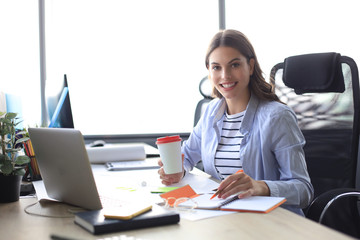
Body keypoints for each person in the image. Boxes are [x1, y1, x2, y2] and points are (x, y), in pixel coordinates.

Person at [158, 29, 314, 216]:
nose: (225, 76)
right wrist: (177, 170)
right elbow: (187, 156)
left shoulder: (277, 117)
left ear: (251, 66)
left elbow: (304, 190)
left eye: (234, 65)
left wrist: (260, 186)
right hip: (222, 216)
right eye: (216, 67)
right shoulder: (210, 112)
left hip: (271, 221)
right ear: (209, 71)